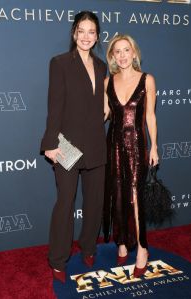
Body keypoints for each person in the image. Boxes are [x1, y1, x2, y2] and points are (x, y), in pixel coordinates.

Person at [41, 11, 107, 283]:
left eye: (91, 32)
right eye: (81, 30)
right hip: (66, 145)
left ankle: (89, 247)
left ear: (97, 36)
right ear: (73, 33)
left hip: (95, 144)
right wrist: (50, 143)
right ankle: (58, 259)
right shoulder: (59, 63)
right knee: (66, 203)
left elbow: (101, 106)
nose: (86, 36)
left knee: (94, 203)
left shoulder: (102, 66)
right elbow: (54, 106)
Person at [103, 34, 159, 278]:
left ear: (134, 53)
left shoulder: (147, 80)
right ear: (113, 56)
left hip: (137, 144)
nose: (123, 55)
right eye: (118, 51)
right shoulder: (107, 81)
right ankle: (123, 242)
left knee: (135, 196)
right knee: (116, 193)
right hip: (113, 143)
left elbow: (149, 116)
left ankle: (143, 249)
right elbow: (103, 115)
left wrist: (154, 146)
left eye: (127, 50)